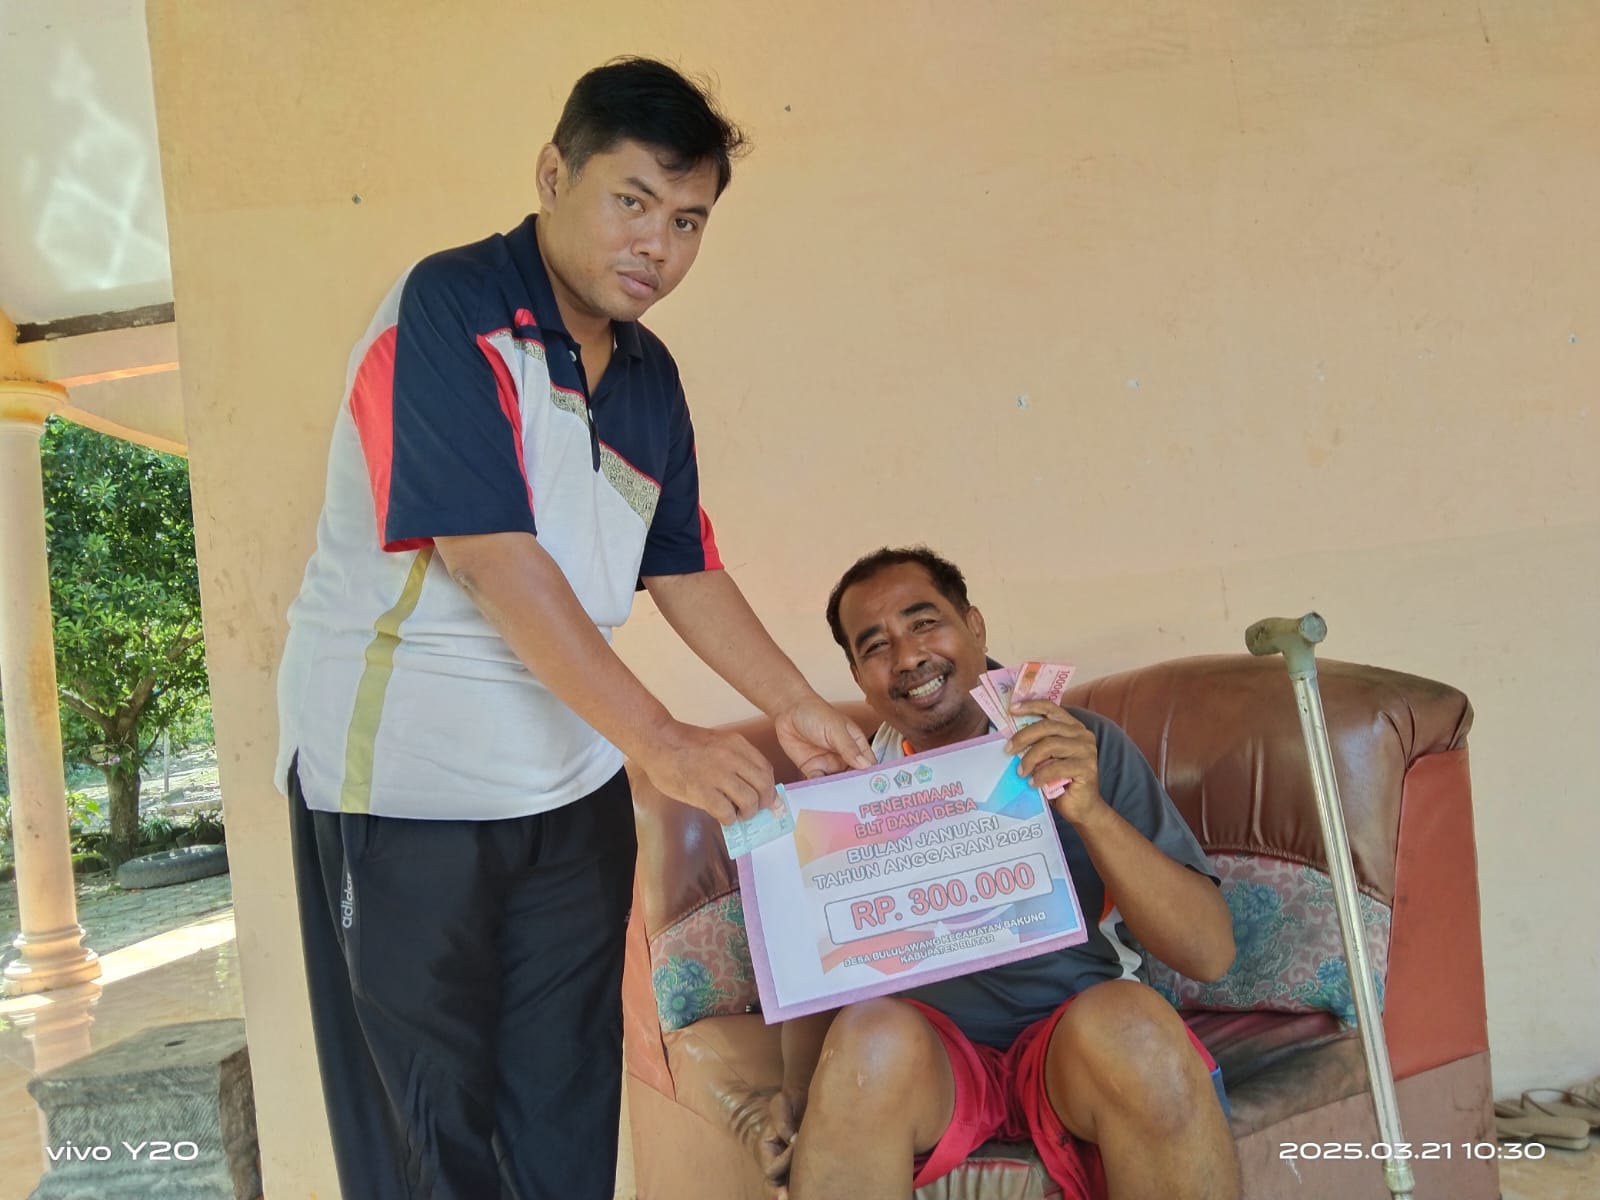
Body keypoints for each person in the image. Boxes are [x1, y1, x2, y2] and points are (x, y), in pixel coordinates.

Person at [274, 58, 873, 1200]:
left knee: (564, 1108)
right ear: (554, 174)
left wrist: (795, 705)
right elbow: (491, 558)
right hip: (404, 790)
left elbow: (683, 563)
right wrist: (664, 740)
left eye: (688, 220)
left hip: (573, 789)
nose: (658, 245)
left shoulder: (647, 374)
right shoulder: (448, 309)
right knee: (431, 1133)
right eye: (633, 200)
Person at [756, 546, 1241, 1200]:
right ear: (858, 675)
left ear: (975, 627)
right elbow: (817, 968)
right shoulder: (847, 791)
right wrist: (795, 1091)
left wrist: (1090, 812)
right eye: (876, 646)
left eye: (925, 623)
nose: (908, 657)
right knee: (864, 1041)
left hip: (1078, 1037)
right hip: (930, 1060)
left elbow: (1209, 953)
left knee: (1137, 1029)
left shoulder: (1081, 744)